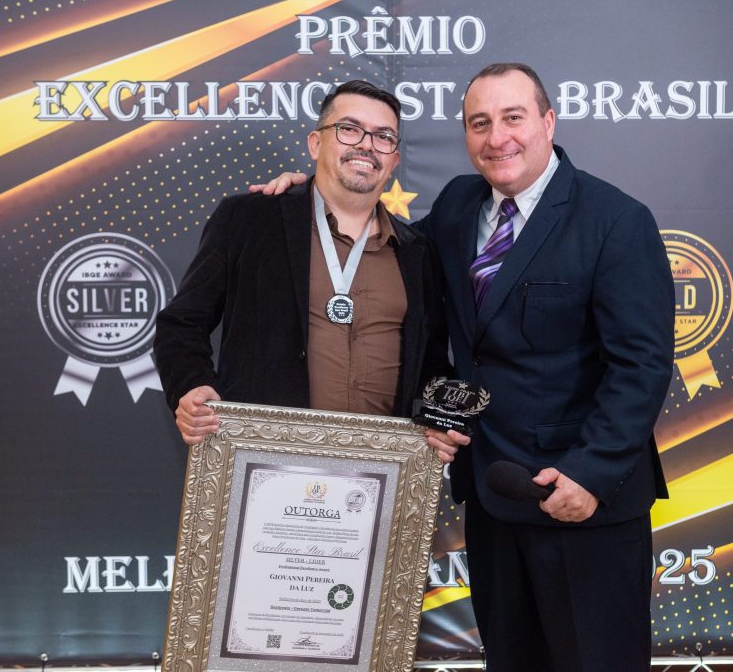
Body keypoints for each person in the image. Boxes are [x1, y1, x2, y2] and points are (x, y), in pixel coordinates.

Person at [253, 63, 674, 671]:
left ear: (548, 122)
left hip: (581, 500)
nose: (497, 137)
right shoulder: (458, 204)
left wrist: (590, 473)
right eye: (480, 123)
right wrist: (316, 196)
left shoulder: (615, 220)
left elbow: (641, 365)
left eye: (513, 118)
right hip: (493, 495)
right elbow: (386, 250)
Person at [153, 80, 451, 445]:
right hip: (263, 454)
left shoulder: (416, 251)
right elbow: (181, 324)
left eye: (383, 136)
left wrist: (439, 419)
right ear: (315, 143)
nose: (366, 145)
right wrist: (191, 386)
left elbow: (431, 363)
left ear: (394, 161)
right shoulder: (249, 220)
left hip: (379, 465)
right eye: (349, 129)